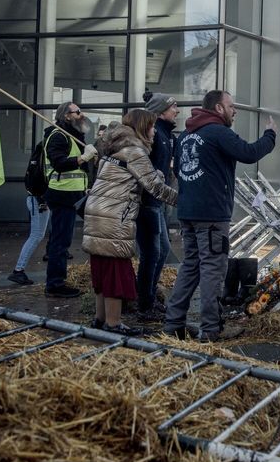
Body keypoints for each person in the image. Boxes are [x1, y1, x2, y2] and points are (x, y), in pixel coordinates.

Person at [164, 90, 276, 342]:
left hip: (188, 212)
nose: (234, 110)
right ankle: (212, 328)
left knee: (190, 266)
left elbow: (180, 171)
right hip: (212, 215)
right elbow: (248, 153)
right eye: (231, 106)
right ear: (218, 108)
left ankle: (173, 324)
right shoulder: (218, 132)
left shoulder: (185, 135)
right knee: (213, 269)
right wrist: (270, 135)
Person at [83, 109, 178, 335]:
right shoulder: (135, 150)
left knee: (102, 269)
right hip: (114, 216)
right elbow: (154, 188)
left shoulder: (116, 147)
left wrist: (155, 176)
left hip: (98, 213)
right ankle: (114, 324)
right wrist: (185, 202)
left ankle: (100, 320)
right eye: (152, 126)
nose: (155, 131)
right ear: (143, 127)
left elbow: (131, 178)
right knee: (116, 270)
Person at [43, 102, 98, 298]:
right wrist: (83, 158)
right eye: (77, 112)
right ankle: (55, 284)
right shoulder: (58, 135)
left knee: (63, 240)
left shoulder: (72, 135)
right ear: (67, 115)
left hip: (74, 195)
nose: (81, 115)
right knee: (60, 242)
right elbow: (58, 164)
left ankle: (58, 280)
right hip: (62, 195)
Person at [136, 93, 179, 321]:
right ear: (161, 111)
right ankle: (144, 302)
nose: (177, 111)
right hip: (148, 203)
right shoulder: (153, 135)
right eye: (174, 107)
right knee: (153, 253)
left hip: (157, 202)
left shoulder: (166, 135)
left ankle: (147, 295)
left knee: (160, 252)